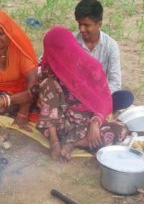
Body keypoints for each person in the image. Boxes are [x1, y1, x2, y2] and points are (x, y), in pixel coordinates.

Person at [35, 26, 128, 162]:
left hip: (86, 123)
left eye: (60, 50)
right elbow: (45, 97)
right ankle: (55, 140)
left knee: (120, 130)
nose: (56, 54)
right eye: (53, 50)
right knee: (47, 84)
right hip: (61, 122)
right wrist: (54, 141)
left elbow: (104, 100)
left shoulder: (90, 67)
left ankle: (72, 143)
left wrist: (95, 122)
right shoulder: (50, 66)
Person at [74, 0, 134, 112]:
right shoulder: (71, 42)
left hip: (101, 97)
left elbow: (115, 82)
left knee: (126, 99)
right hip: (75, 97)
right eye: (79, 24)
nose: (81, 29)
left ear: (99, 24)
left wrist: (98, 99)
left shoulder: (111, 46)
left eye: (86, 25)